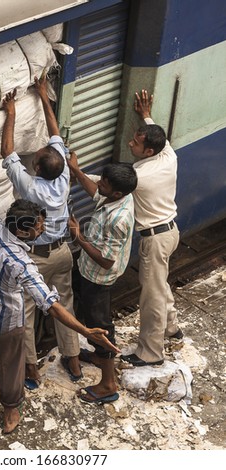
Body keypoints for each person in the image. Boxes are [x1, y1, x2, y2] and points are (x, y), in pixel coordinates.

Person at [0, 146, 120, 441]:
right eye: (39, 228)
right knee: (11, 366)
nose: (42, 230)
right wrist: (86, 330)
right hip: (7, 324)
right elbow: (53, 306)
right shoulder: (21, 264)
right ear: (23, 232)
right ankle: (10, 411)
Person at [1, 73, 81, 390]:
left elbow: (7, 152)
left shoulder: (31, 187)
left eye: (33, 159)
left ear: (36, 168)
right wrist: (44, 96)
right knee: (65, 305)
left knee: (26, 314)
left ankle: (31, 371)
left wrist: (11, 113)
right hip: (63, 253)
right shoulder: (62, 174)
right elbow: (55, 131)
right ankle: (73, 361)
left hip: (36, 258)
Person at [67, 156, 137, 403]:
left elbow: (106, 260)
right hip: (88, 270)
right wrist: (76, 170)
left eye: (104, 185)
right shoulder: (116, 196)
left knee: (100, 327)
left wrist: (78, 237)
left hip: (99, 277)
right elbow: (95, 191)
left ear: (116, 192)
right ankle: (98, 356)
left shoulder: (119, 219)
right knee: (90, 316)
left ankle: (108, 384)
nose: (99, 186)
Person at [120, 89, 182, 367]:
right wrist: (145, 115)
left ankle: (151, 353)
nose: (131, 143)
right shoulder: (168, 155)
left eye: (136, 142)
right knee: (159, 284)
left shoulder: (139, 176)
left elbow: (107, 185)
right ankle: (172, 329)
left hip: (155, 239)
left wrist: (75, 172)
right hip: (170, 232)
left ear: (148, 152)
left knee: (151, 296)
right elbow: (160, 138)